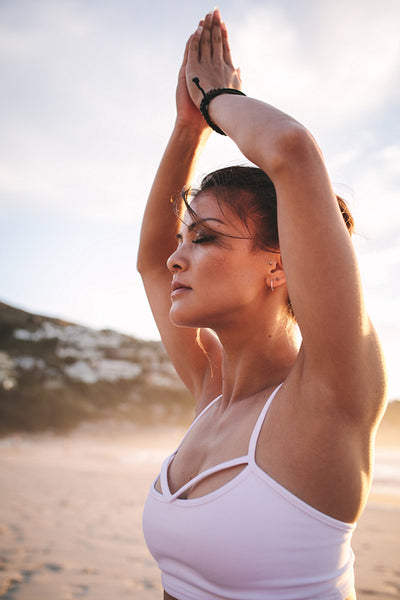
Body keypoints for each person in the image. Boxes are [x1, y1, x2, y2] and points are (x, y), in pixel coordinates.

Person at [138, 9, 387, 600]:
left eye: (205, 238)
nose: (178, 257)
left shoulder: (327, 396)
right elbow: (152, 258)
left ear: (281, 263)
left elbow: (292, 150)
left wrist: (216, 97)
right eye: (184, 238)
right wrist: (186, 128)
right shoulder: (211, 392)